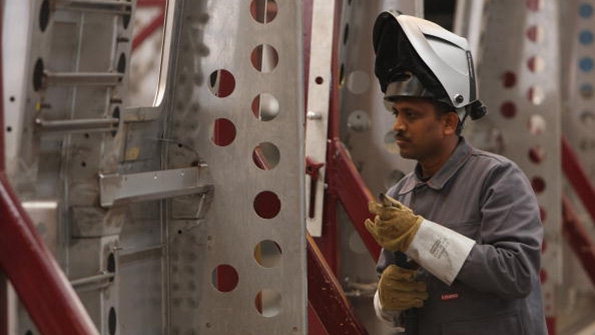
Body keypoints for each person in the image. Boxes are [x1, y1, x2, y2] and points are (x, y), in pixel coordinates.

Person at [364, 11, 547, 335]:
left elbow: (516, 274)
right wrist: (385, 300)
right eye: (395, 113)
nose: (397, 126)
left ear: (449, 122)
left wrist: (420, 236)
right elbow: (393, 295)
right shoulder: (399, 198)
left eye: (411, 114)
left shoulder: (497, 179)